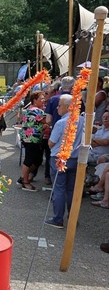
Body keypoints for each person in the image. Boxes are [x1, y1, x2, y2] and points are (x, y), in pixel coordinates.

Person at [45, 94, 85, 229]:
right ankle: (73, 218)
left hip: (59, 159)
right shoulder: (82, 120)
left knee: (59, 189)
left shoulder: (61, 123)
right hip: (75, 159)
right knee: (71, 190)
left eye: (60, 105)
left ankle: (58, 219)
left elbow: (51, 143)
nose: (57, 108)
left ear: (68, 107)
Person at [18, 91, 46, 191]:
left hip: (28, 138)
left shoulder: (30, 109)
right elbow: (46, 121)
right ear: (34, 100)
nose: (44, 100)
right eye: (41, 99)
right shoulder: (37, 111)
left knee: (37, 160)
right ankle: (25, 182)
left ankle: (23, 177)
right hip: (32, 138)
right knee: (29, 160)